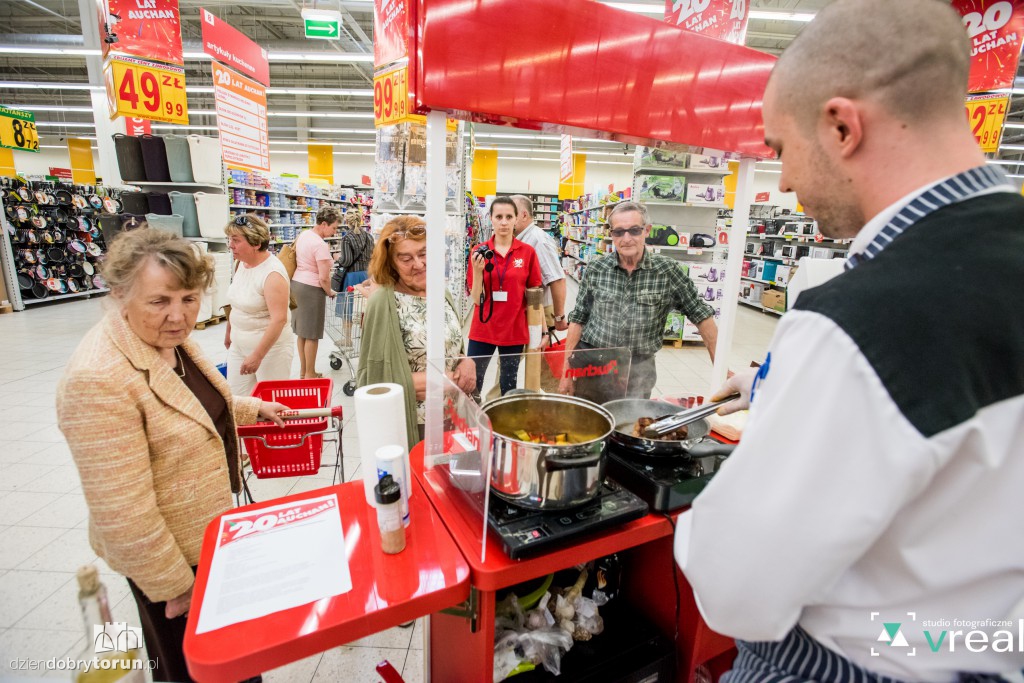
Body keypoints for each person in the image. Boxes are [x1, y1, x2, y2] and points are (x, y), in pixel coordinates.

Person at [674, 2, 1024, 681]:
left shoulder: (858, 322)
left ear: (840, 125)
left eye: (778, 148)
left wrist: (699, 532)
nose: (781, 180)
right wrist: (769, 384)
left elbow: (734, 585)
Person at [56, 229, 288, 683]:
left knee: (235, 661)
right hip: (174, 566)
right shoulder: (97, 379)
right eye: (160, 301)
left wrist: (249, 407)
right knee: (196, 672)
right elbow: (123, 514)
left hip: (208, 543)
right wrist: (178, 587)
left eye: (188, 298)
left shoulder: (166, 343)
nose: (178, 316)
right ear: (119, 294)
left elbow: (187, 404)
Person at [558, 201, 718, 402]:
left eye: (634, 230)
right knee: (587, 427)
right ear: (611, 234)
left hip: (637, 371)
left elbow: (701, 315)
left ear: (647, 231)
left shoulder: (667, 272)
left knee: (629, 428)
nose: (626, 238)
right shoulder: (596, 269)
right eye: (619, 232)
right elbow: (578, 318)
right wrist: (566, 370)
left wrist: (721, 370)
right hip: (593, 365)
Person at [357, 216, 476, 448]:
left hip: (454, 415)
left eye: (423, 254)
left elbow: (450, 345)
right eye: (406, 258)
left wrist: (466, 360)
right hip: (415, 424)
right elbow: (375, 378)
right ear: (391, 263)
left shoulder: (441, 292)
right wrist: (446, 380)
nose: (419, 264)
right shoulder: (383, 301)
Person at [467, 196, 542, 398]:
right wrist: (477, 270)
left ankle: (503, 426)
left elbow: (535, 293)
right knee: (473, 381)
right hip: (483, 327)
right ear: (490, 218)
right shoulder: (479, 251)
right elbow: (476, 299)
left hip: (514, 329)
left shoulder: (527, 252)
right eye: (498, 216)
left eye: (509, 216)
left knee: (509, 383)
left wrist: (542, 330)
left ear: (516, 219)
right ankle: (473, 423)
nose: (503, 222)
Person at [223, 214, 294, 395]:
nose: (231, 245)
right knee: (238, 400)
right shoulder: (240, 264)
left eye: (236, 240)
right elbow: (236, 302)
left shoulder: (273, 274)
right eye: (230, 239)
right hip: (239, 345)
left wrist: (257, 355)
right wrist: (230, 331)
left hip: (271, 352)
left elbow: (279, 319)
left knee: (271, 401)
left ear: (255, 243)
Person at [511, 194, 568, 392]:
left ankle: (551, 405)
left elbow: (557, 279)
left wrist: (559, 317)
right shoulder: (519, 239)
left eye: (511, 215)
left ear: (524, 215)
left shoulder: (538, 240)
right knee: (512, 364)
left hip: (539, 312)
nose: (506, 220)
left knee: (539, 368)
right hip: (520, 312)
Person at [291, 206, 341, 379]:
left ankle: (304, 371)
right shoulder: (320, 245)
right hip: (311, 290)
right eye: (333, 228)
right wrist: (330, 292)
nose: (334, 232)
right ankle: (311, 373)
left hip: (297, 285)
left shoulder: (304, 235)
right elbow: (324, 279)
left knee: (302, 333)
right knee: (312, 334)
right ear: (324, 224)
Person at [334, 209, 374, 342]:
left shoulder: (347, 238)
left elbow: (347, 261)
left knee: (348, 308)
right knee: (364, 308)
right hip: (366, 275)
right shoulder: (369, 236)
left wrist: (337, 257)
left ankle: (347, 339)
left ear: (347, 222)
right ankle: (365, 340)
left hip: (352, 277)